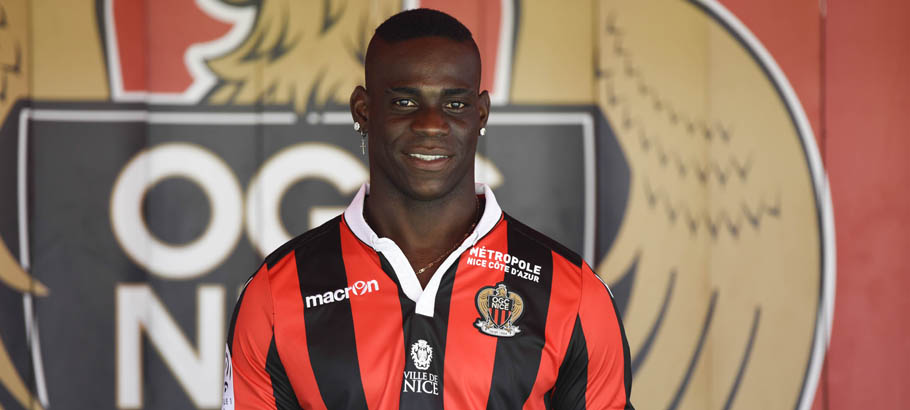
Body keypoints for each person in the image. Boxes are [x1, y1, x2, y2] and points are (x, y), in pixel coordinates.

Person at [223, 8, 633, 410]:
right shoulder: (277, 294)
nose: (431, 124)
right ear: (363, 111)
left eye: (454, 104)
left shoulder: (574, 294)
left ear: (481, 113)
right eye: (405, 102)